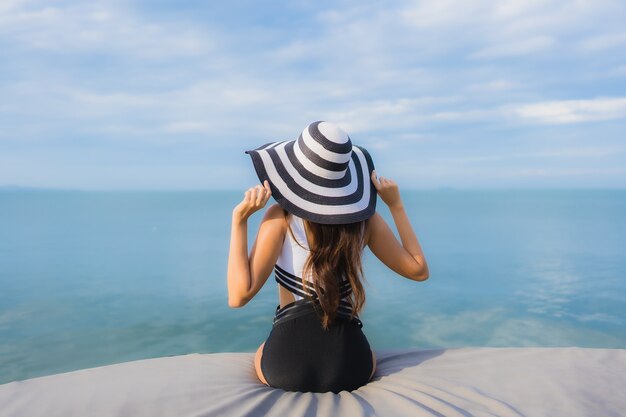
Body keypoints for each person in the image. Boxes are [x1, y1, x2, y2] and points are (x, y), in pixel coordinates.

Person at [227, 121, 429, 393]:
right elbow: (418, 270)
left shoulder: (279, 218)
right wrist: (396, 205)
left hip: (287, 365)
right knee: (363, 349)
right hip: (349, 365)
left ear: (295, 173)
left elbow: (238, 297)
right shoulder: (365, 222)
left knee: (262, 351)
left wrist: (239, 220)